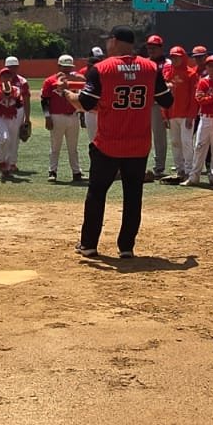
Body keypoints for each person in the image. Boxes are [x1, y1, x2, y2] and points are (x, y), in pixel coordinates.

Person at [74, 26, 172, 257]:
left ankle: (89, 245)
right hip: (138, 145)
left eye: (108, 41)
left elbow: (86, 104)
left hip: (108, 143)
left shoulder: (101, 69)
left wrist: (67, 95)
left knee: (97, 194)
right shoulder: (151, 68)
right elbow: (167, 100)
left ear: (114, 41)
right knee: (133, 196)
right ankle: (126, 247)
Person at [42, 55, 85, 182]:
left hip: (73, 115)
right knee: (55, 146)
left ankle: (76, 172)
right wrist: (47, 117)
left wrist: (81, 114)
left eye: (69, 67)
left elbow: (81, 96)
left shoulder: (75, 80)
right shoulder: (50, 81)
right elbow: (45, 100)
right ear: (59, 66)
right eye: (64, 67)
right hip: (56, 116)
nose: (67, 70)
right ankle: (52, 171)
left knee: (73, 147)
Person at [162, 46, 197, 184]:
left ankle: (189, 171)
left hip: (185, 115)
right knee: (175, 142)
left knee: (186, 142)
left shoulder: (191, 74)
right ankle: (179, 169)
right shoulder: (168, 73)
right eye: (172, 57)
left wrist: (191, 115)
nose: (174, 59)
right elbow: (164, 96)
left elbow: (194, 97)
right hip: (172, 114)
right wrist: (164, 115)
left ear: (183, 57)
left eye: (177, 57)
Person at [190, 54, 213, 188]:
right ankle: (194, 176)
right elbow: (199, 99)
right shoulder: (203, 81)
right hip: (205, 118)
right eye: (210, 66)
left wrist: (210, 98)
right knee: (199, 146)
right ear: (207, 67)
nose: (212, 69)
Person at [0, 65, 26, 178]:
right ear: (0, 79)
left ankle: (8, 165)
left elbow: (20, 105)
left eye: (8, 76)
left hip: (13, 118)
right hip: (2, 118)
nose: (6, 78)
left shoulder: (16, 90)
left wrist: (23, 120)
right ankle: (2, 162)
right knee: (5, 139)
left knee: (12, 141)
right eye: (3, 76)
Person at [145, 33, 168, 180]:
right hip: (143, 104)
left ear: (161, 48)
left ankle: (159, 167)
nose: (151, 50)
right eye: (149, 47)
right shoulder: (145, 63)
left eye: (154, 47)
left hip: (158, 104)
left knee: (159, 137)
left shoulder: (167, 64)